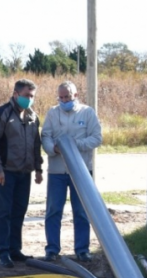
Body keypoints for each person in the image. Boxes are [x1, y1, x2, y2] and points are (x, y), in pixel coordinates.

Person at [41, 81, 102, 262]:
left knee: (81, 211)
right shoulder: (52, 113)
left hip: (81, 171)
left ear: (75, 95)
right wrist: (54, 148)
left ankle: (82, 249)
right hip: (57, 171)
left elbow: (96, 138)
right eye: (61, 97)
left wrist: (75, 146)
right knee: (53, 210)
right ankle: (52, 249)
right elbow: (45, 136)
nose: (64, 100)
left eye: (67, 97)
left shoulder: (87, 112)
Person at [0, 79, 44, 268]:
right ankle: (2, 252)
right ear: (16, 94)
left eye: (32, 96)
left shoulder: (33, 116)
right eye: (27, 95)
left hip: (24, 173)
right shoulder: (2, 113)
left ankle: (14, 249)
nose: (29, 99)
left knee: (19, 211)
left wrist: (38, 169)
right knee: (3, 212)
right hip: (6, 172)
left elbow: (36, 144)